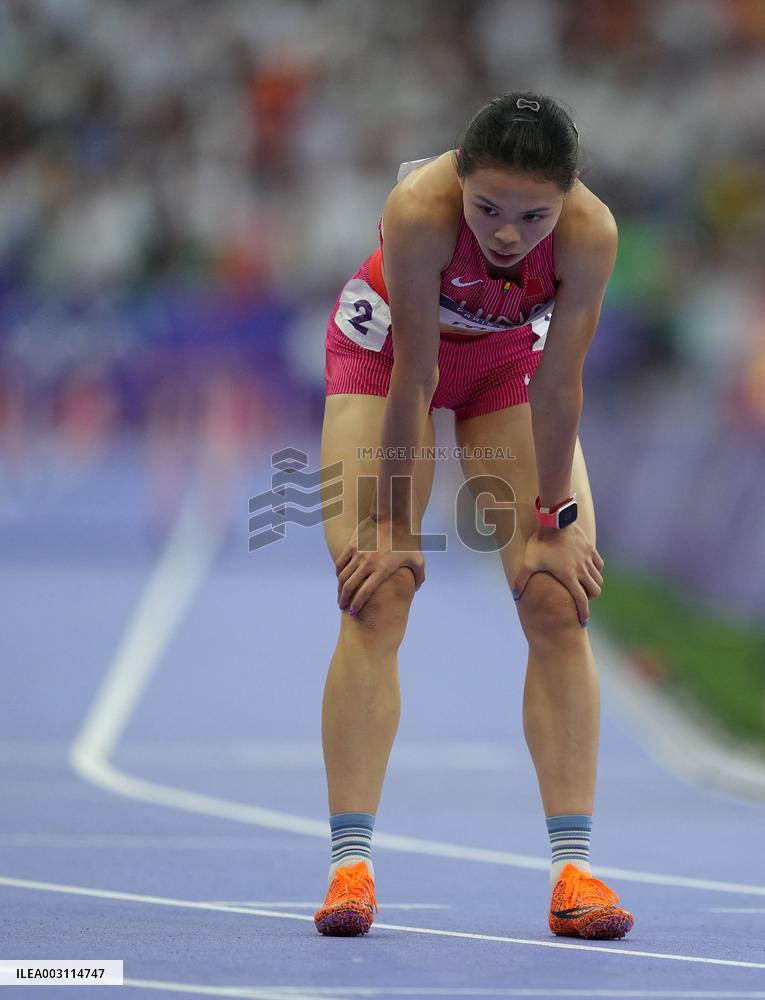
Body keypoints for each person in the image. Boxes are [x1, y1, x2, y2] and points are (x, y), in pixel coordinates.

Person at [313, 91, 634, 941]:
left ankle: (575, 872)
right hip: (386, 359)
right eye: (486, 207)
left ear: (568, 200)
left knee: (554, 594)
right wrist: (387, 524)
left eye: (532, 216)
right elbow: (415, 380)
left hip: (505, 372)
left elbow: (560, 385)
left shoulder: (590, 236)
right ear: (458, 180)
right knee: (376, 590)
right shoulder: (418, 209)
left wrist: (551, 517)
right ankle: (351, 866)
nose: (504, 233)